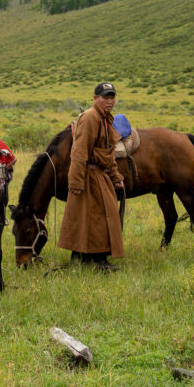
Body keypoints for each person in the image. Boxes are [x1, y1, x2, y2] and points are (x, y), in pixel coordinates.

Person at [58, 82, 126, 271]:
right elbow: (79, 152)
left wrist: (115, 175)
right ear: (95, 98)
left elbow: (107, 152)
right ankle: (97, 261)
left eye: (112, 97)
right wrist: (76, 181)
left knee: (95, 216)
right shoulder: (90, 117)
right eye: (105, 97)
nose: (109, 101)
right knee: (96, 217)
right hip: (89, 173)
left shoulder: (104, 118)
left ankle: (88, 257)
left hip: (99, 173)